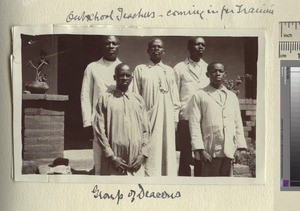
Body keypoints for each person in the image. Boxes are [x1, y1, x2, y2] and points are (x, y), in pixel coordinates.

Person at [188, 62, 247, 177]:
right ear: (207, 74)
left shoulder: (232, 96)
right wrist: (200, 149)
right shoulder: (199, 95)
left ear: (225, 74)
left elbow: (237, 122)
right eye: (214, 71)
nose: (217, 74)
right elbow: (194, 123)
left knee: (226, 187)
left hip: (229, 149)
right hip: (210, 149)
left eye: (220, 71)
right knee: (210, 185)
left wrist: (240, 147)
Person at [132, 38, 180, 176]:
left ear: (163, 51)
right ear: (148, 51)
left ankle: (168, 177)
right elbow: (135, 96)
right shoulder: (140, 69)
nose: (156, 49)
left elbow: (175, 98)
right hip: (148, 117)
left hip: (167, 118)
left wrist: (175, 120)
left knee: (167, 148)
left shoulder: (169, 70)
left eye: (159, 47)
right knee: (151, 148)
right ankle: (151, 177)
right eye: (153, 47)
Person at [93, 63, 150, 176]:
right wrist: (111, 156)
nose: (124, 78)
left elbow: (146, 130)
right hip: (114, 160)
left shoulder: (138, 99)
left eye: (127, 75)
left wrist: (143, 155)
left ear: (131, 78)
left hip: (135, 160)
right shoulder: (105, 99)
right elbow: (100, 130)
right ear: (115, 77)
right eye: (121, 75)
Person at [81, 35, 121, 175]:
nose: (111, 46)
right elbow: (85, 95)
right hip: (98, 119)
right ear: (102, 47)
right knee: (99, 158)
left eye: (114, 43)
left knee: (117, 155)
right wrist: (87, 122)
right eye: (107, 43)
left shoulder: (123, 68)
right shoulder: (92, 67)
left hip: (118, 119)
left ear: (118, 46)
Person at [174, 37, 209, 176]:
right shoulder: (180, 68)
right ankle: (184, 182)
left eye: (203, 45)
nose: (200, 47)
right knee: (185, 154)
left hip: (203, 117)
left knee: (201, 152)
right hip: (186, 117)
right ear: (189, 47)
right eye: (197, 44)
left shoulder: (208, 68)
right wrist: (176, 119)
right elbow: (175, 94)